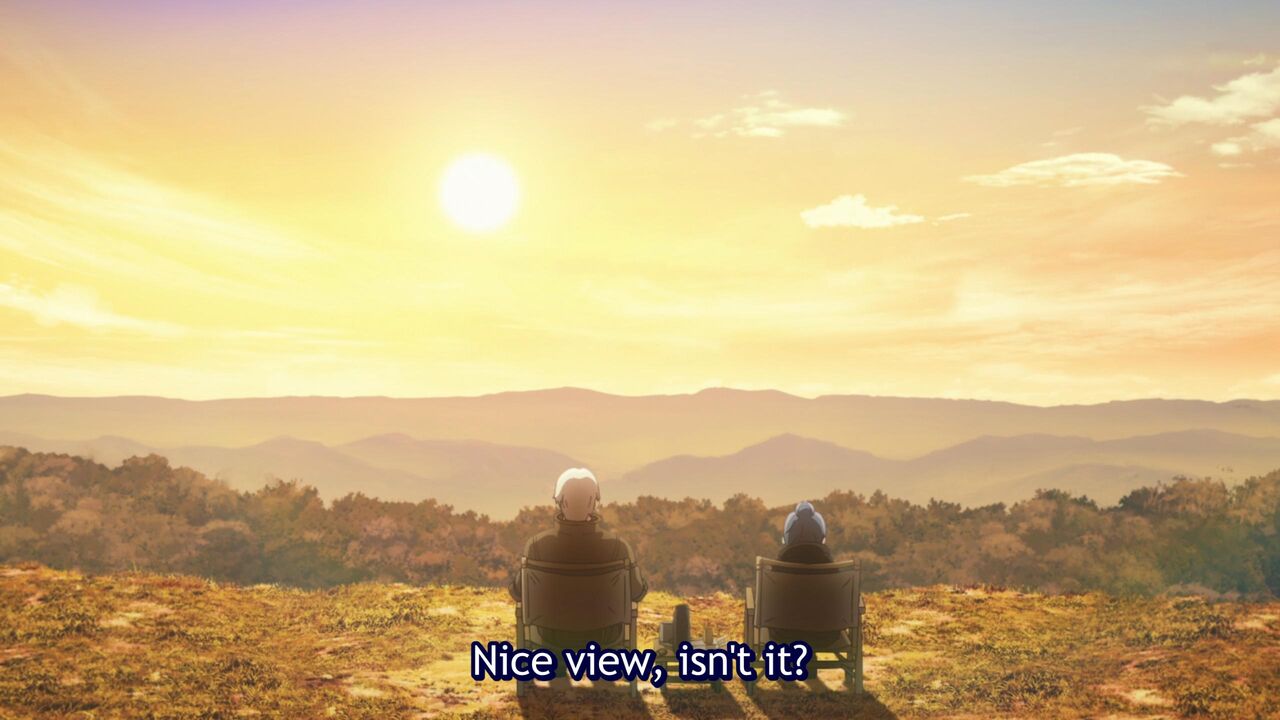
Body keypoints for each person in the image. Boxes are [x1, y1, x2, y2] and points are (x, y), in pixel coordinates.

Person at [509, 468, 647, 650]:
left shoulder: (536, 546)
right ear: (593, 502)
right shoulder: (618, 547)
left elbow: (517, 593)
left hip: (550, 641)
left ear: (560, 502)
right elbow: (637, 592)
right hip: (606, 642)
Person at [773, 500, 840, 647]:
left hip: (784, 635)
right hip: (826, 636)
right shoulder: (832, 570)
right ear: (822, 536)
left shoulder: (778, 568)